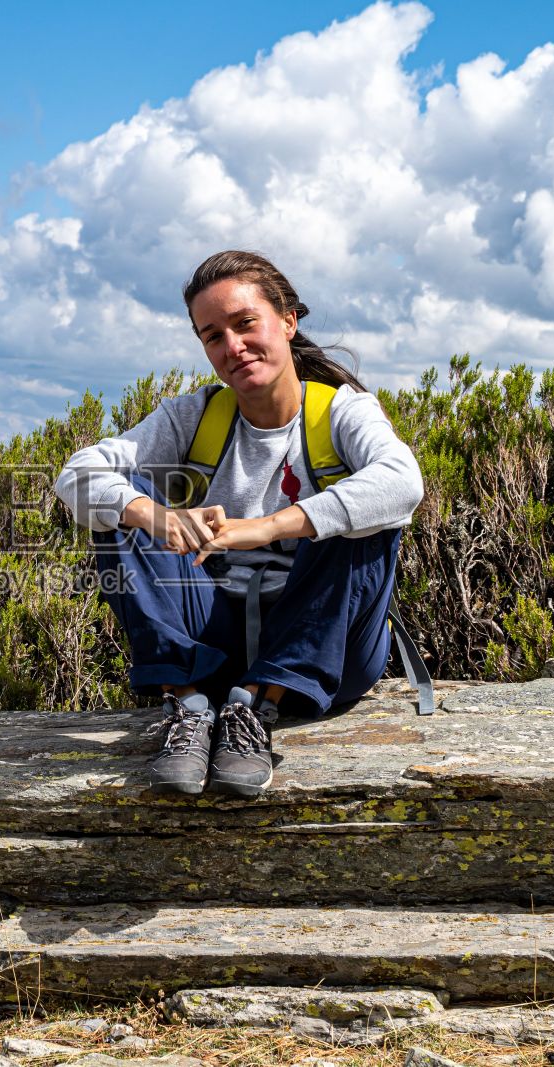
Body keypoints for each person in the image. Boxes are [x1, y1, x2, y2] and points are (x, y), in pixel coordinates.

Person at [53, 250, 424, 798]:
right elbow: (77, 473)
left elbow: (403, 483)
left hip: (330, 650)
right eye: (212, 336)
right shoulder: (196, 416)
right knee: (122, 507)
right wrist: (157, 516)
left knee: (364, 513)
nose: (232, 347)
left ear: (288, 320)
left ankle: (257, 708)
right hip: (217, 645)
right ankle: (192, 707)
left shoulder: (342, 412)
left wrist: (271, 526)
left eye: (245, 324)